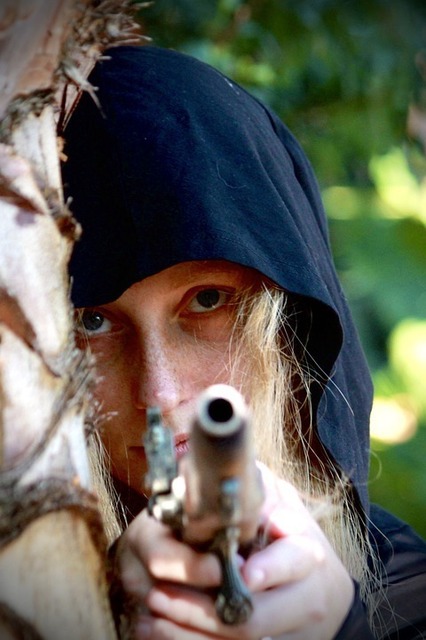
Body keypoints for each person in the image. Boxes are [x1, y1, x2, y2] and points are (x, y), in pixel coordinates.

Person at [61, 45, 426, 639]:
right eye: (92, 323)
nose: (160, 395)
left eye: (208, 299)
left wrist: (342, 626)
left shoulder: (407, 593)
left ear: (286, 324)